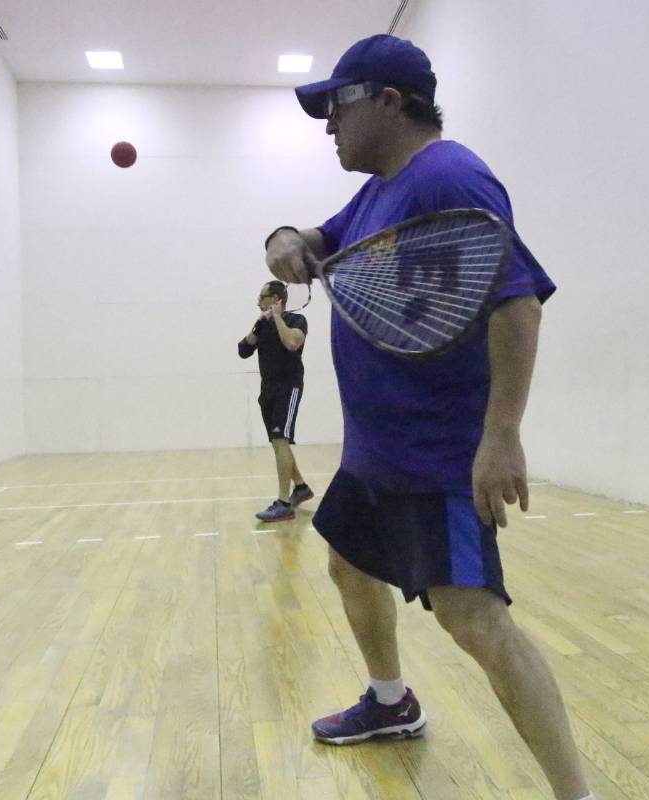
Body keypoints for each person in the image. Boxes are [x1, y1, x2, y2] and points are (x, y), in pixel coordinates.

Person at [264, 34, 594, 800]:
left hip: (434, 454)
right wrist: (284, 237)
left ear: (390, 101)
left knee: (474, 620)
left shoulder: (448, 177)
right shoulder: (382, 187)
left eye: (338, 105)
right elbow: (319, 237)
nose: (328, 125)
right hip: (375, 452)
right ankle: (391, 703)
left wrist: (501, 435)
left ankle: (577, 794)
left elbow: (517, 304)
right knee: (348, 563)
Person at [237, 280, 315, 522]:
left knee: (281, 440)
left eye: (262, 297)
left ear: (276, 299)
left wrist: (278, 317)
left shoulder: (297, 320)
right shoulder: (262, 325)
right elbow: (243, 350)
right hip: (267, 389)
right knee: (277, 442)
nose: (258, 302)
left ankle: (283, 503)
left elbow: (292, 343)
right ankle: (300, 487)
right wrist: (260, 323)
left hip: (288, 388)